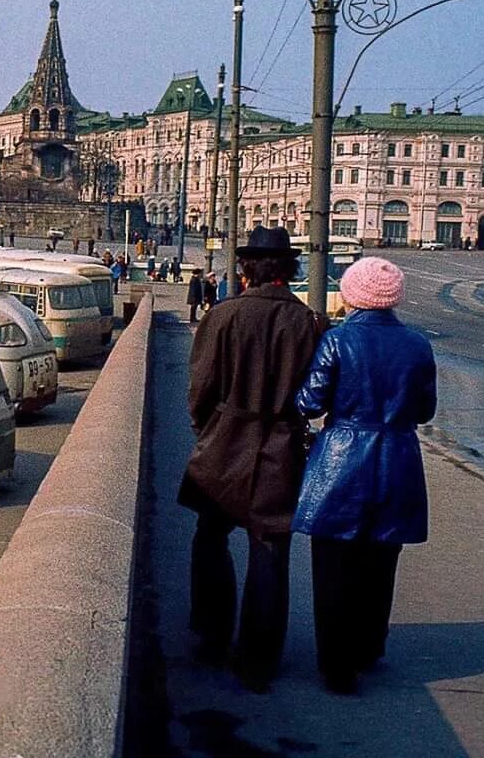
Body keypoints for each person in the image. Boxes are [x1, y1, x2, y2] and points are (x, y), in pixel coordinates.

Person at [179, 226, 322, 691]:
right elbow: (316, 399)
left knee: (210, 536)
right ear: (289, 270)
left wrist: (209, 429)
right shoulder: (310, 323)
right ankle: (259, 659)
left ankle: (212, 634)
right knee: (270, 551)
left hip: (224, 440)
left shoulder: (223, 316)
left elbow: (200, 390)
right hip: (280, 445)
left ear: (246, 270)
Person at [293, 257, 436, 695]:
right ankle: (369, 647)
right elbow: (425, 411)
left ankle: (337, 666)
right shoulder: (417, 344)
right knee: (380, 562)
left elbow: (310, 402)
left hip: (342, 460)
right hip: (398, 458)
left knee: (334, 563)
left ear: (354, 296)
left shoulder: (338, 340)